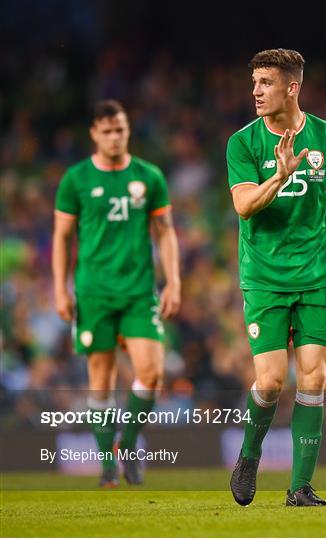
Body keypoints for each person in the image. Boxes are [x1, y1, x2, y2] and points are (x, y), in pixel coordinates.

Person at [226, 49, 326, 507]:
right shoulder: (243, 143)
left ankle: (300, 487)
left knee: (314, 378)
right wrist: (280, 177)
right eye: (255, 82)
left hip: (319, 276)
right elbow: (244, 206)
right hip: (264, 277)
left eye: (265, 82)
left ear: (292, 87)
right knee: (269, 382)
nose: (256, 91)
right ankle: (249, 455)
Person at [52, 100, 180, 487]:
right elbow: (61, 237)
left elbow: (165, 230)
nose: (114, 137)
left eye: (120, 130)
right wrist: (60, 288)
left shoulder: (148, 176)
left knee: (152, 372)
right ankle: (108, 464)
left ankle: (129, 442)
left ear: (127, 131)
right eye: (107, 131)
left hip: (139, 290)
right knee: (101, 378)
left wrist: (173, 280)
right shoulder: (75, 179)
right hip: (94, 292)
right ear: (94, 133)